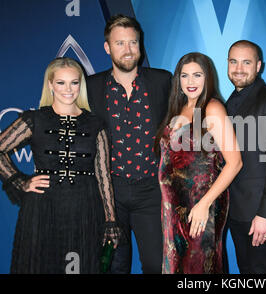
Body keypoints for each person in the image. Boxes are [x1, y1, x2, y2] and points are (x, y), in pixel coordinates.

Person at [0, 57, 120, 274]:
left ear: (80, 85)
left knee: (79, 266)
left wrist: (111, 220)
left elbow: (103, 176)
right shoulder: (35, 119)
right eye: (61, 83)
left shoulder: (95, 124)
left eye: (74, 82)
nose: (68, 89)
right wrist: (20, 181)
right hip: (43, 208)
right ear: (50, 85)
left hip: (84, 209)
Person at [86, 15, 172, 274]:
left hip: (151, 190)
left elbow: (186, 121)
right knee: (114, 266)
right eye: (120, 43)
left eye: (133, 42)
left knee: (156, 266)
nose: (128, 49)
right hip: (110, 193)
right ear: (107, 47)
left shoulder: (161, 81)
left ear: (140, 45)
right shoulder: (90, 87)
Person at [155, 52, 242, 274]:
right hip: (174, 209)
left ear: (208, 78)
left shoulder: (212, 108)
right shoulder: (178, 107)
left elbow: (235, 163)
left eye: (197, 75)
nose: (190, 82)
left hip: (201, 205)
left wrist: (204, 204)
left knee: (200, 267)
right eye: (185, 76)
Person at [225, 40, 266, 274]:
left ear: (259, 66)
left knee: (261, 272)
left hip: (258, 210)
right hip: (235, 208)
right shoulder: (229, 101)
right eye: (233, 61)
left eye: (246, 62)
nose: (239, 68)